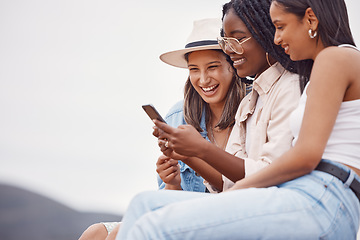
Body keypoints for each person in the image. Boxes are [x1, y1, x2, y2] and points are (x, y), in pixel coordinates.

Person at [113, 0, 360, 238]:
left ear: (310, 19)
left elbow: (305, 156)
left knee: (154, 227)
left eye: (280, 26)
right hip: (312, 191)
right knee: (144, 204)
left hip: (324, 192)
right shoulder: (300, 80)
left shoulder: (332, 60)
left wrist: (237, 188)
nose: (276, 38)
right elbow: (228, 180)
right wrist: (191, 155)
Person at [78, 18, 246, 240]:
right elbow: (168, 200)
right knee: (95, 233)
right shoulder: (178, 116)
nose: (203, 79)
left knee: (122, 233)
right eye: (194, 69)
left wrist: (193, 156)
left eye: (212, 67)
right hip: (182, 214)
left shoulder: (251, 109)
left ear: (232, 66)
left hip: (225, 218)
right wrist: (172, 184)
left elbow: (244, 186)